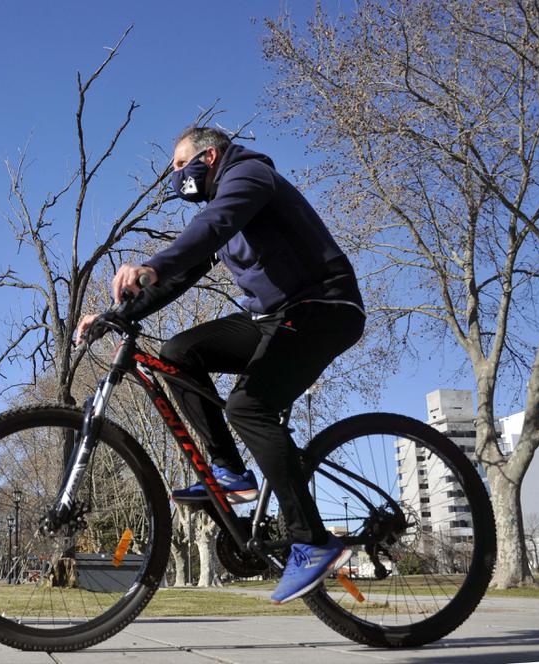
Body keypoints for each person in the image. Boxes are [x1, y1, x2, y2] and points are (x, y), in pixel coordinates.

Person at [75, 127, 366, 604]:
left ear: (208, 156)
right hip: (275, 317)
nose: (175, 176)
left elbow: (217, 222)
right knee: (178, 353)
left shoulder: (249, 175)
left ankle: (312, 540)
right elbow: (184, 271)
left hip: (323, 308)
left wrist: (151, 263)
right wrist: (118, 314)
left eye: (178, 165)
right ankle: (230, 472)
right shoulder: (221, 208)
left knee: (248, 407)